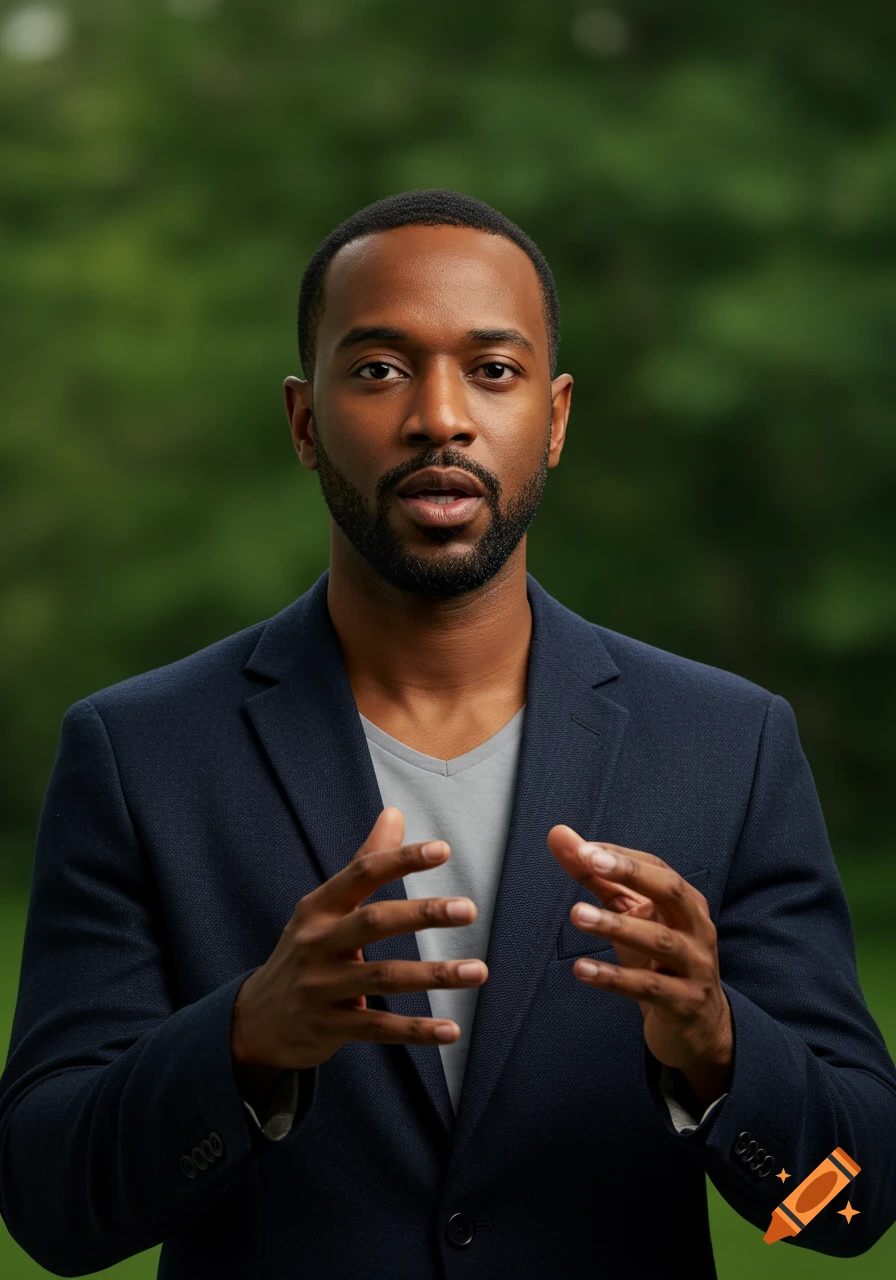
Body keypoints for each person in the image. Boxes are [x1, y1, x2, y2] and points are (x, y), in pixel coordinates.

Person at [1, 190, 894, 1279]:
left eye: (492, 369)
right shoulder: (138, 754)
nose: (438, 416)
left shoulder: (727, 744)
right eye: (378, 367)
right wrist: (241, 1038)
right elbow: (51, 1208)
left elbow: (849, 1206)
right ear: (300, 418)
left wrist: (719, 1050)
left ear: (555, 418)